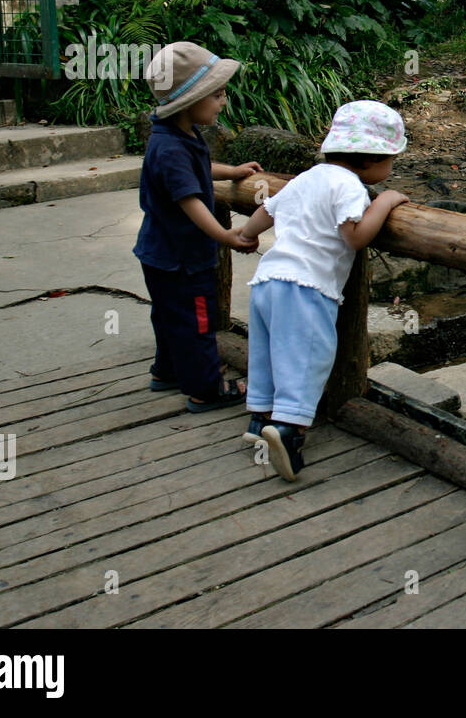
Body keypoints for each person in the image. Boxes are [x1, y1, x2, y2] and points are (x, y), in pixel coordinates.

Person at [236, 101, 409, 481]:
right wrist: (385, 201)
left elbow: (268, 210)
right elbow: (356, 237)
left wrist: (246, 235)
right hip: (306, 288)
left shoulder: (308, 176)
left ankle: (259, 420)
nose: (392, 167)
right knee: (306, 359)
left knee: (267, 352)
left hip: (268, 280)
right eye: (391, 159)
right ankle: (288, 431)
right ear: (370, 158)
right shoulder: (350, 186)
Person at [133, 41, 262, 411]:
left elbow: (197, 171)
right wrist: (225, 235)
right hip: (183, 259)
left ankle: (167, 370)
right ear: (192, 100)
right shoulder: (172, 149)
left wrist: (232, 172)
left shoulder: (172, 136)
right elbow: (189, 198)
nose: (223, 102)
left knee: (169, 314)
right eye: (218, 95)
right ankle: (206, 388)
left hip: (159, 254)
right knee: (199, 321)